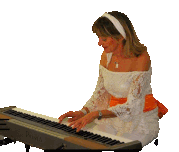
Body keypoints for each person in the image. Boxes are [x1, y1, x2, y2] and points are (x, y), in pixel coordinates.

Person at [58, 11, 168, 148]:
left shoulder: (141, 58)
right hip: (111, 118)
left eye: (103, 39)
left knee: (119, 147)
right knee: (88, 145)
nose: (99, 43)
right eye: (99, 38)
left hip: (140, 120)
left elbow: (133, 107)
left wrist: (95, 114)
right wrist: (83, 112)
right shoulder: (106, 55)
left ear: (120, 37)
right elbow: (100, 93)